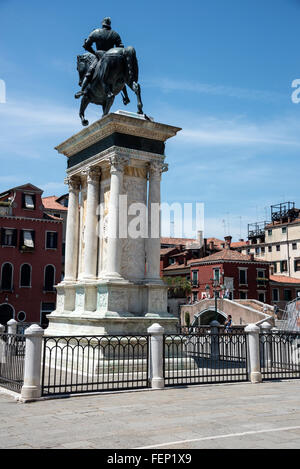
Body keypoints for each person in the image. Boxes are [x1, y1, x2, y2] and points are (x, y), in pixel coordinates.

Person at [75, 17, 130, 103]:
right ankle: (126, 96)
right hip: (112, 58)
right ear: (109, 24)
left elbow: (87, 46)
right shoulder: (115, 34)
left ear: (103, 24)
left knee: (90, 71)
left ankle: (82, 90)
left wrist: (94, 52)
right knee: (120, 75)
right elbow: (121, 47)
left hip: (100, 56)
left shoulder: (96, 32)